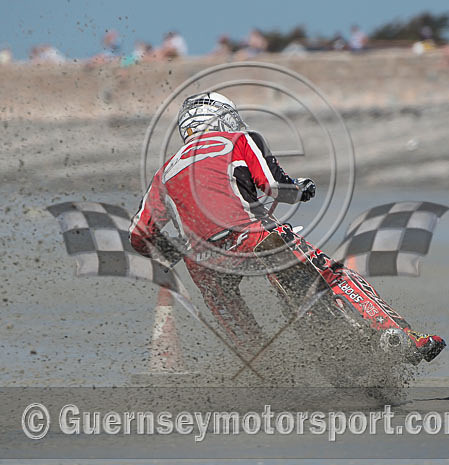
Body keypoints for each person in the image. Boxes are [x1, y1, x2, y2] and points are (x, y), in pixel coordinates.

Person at [129, 92, 316, 348]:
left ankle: (265, 369)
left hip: (203, 260)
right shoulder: (240, 139)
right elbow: (274, 185)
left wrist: (170, 249)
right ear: (220, 118)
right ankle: (352, 318)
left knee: (236, 323)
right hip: (252, 236)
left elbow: (139, 235)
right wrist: (301, 189)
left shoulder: (164, 173)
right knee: (318, 270)